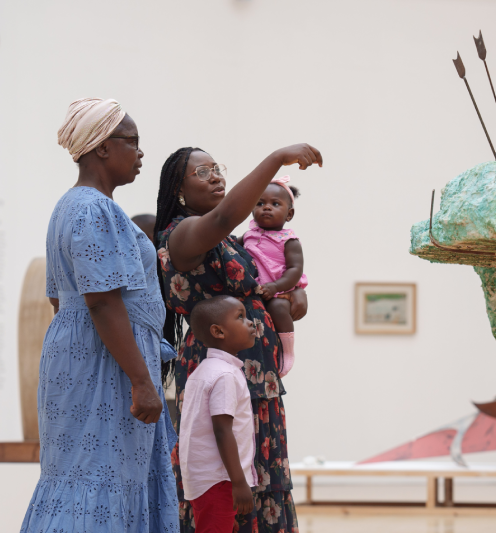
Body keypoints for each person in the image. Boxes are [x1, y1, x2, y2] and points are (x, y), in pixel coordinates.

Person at [21, 98, 179, 532]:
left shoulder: (74, 206)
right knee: (97, 475)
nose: (141, 153)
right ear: (102, 149)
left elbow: (62, 301)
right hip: (106, 365)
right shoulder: (93, 208)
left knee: (89, 475)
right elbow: (102, 301)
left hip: (90, 356)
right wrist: (142, 381)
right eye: (132, 142)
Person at [155, 143, 321, 532]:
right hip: (219, 367)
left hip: (255, 373)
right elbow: (228, 214)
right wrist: (278, 159)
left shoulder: (229, 239)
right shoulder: (182, 234)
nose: (215, 176)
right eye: (201, 172)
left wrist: (290, 293)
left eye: (217, 168)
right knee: (227, 479)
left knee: (263, 472)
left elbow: (266, 276)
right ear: (179, 190)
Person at [180, 296, 258, 533]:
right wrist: (238, 482)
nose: (251, 323)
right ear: (218, 331)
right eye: (240, 317)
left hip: (208, 479)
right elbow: (222, 431)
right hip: (220, 480)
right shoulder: (224, 375)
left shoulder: (205, 370)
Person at [239, 175, 307, 377]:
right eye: (260, 203)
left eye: (275, 204)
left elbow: (295, 270)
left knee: (277, 308)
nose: (266, 207)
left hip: (280, 290)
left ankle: (288, 351)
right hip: (258, 292)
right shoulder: (248, 235)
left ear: (289, 214)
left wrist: (276, 287)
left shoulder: (289, 240)